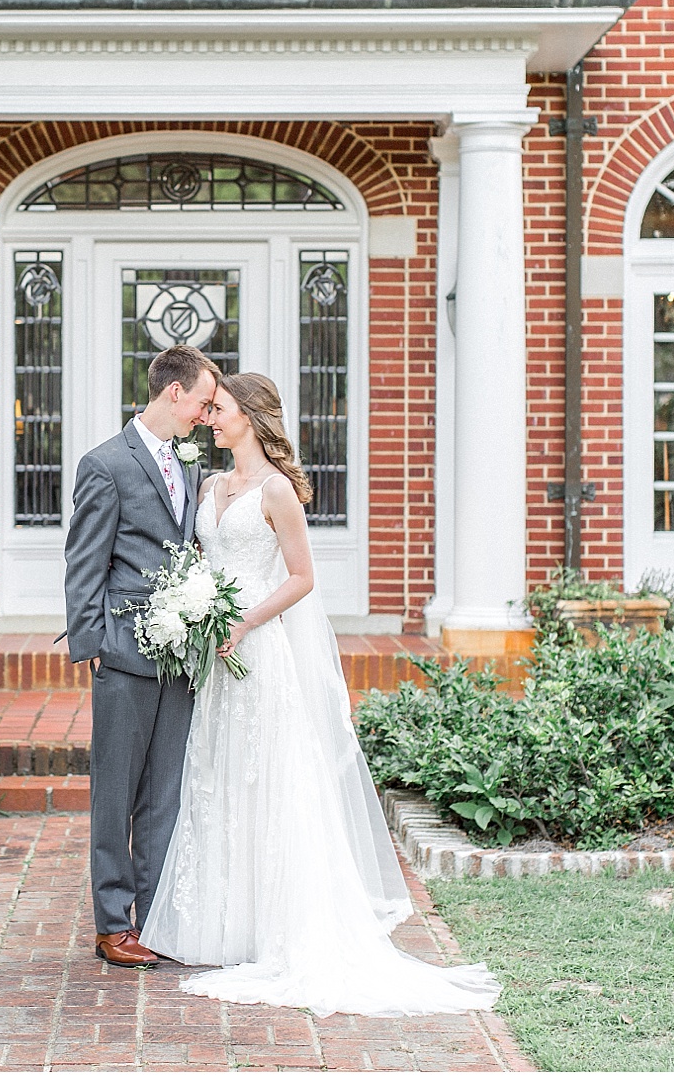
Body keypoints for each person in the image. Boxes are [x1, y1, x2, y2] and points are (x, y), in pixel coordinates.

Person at [138, 372, 501, 1017]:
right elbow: (198, 563)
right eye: (208, 409)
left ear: (251, 416)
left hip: (258, 651)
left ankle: (280, 925)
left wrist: (243, 620)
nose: (210, 419)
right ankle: (227, 926)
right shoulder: (211, 485)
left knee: (270, 779)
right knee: (220, 779)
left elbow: (302, 577)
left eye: (219, 409)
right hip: (215, 658)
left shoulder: (277, 491)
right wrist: (193, 611)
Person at [63, 344, 220, 968]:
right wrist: (93, 644)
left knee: (164, 792)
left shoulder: (190, 462)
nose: (205, 416)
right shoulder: (105, 464)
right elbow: (84, 560)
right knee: (116, 791)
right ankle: (112, 923)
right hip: (124, 650)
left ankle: (154, 919)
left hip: (181, 651)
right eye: (203, 402)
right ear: (174, 392)